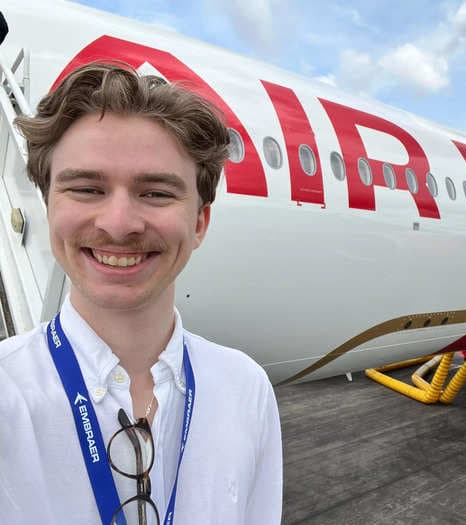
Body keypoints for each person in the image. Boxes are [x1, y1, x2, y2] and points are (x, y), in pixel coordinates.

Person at [0, 62, 282, 524]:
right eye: (87, 188)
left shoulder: (246, 389)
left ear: (199, 224)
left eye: (155, 193)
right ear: (49, 208)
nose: (119, 223)